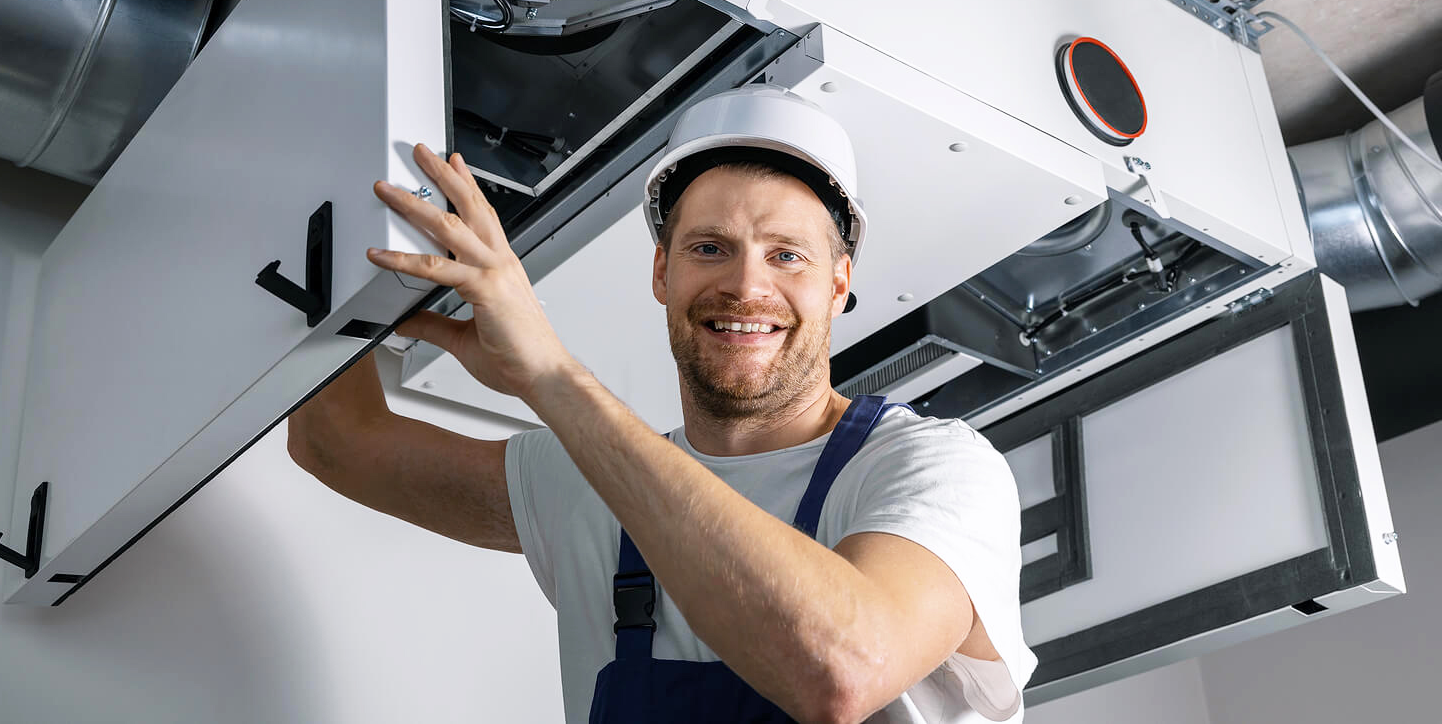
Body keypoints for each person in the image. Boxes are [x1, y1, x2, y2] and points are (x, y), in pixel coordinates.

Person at [288, 85, 1036, 723]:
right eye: (710, 247)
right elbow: (336, 438)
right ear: (661, 271)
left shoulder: (932, 469)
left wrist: (550, 376)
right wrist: (334, 219)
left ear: (840, 282)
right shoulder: (585, 483)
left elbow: (840, 667)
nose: (747, 286)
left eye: (787, 254)